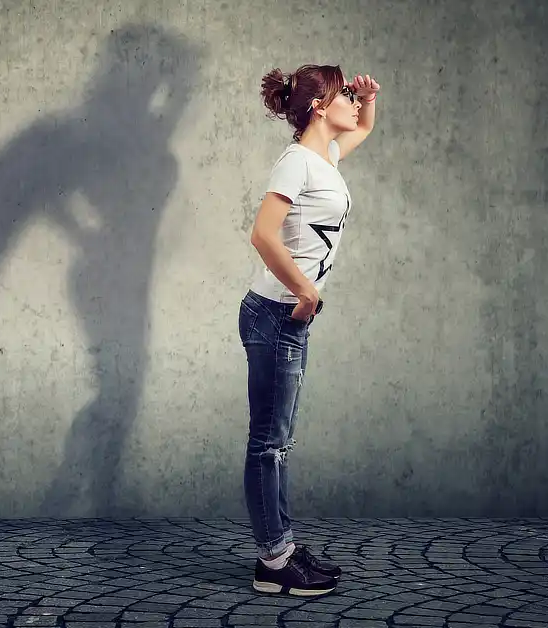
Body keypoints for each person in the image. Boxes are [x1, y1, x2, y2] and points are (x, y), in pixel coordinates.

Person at [238, 64, 379, 596]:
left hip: (286, 318)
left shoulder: (326, 157)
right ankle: (274, 561)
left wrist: (366, 99)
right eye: (343, 94)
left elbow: (363, 129)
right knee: (268, 444)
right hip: (275, 314)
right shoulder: (296, 163)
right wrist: (305, 291)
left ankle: (283, 549)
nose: (351, 101)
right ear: (319, 107)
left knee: (279, 443)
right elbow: (263, 234)